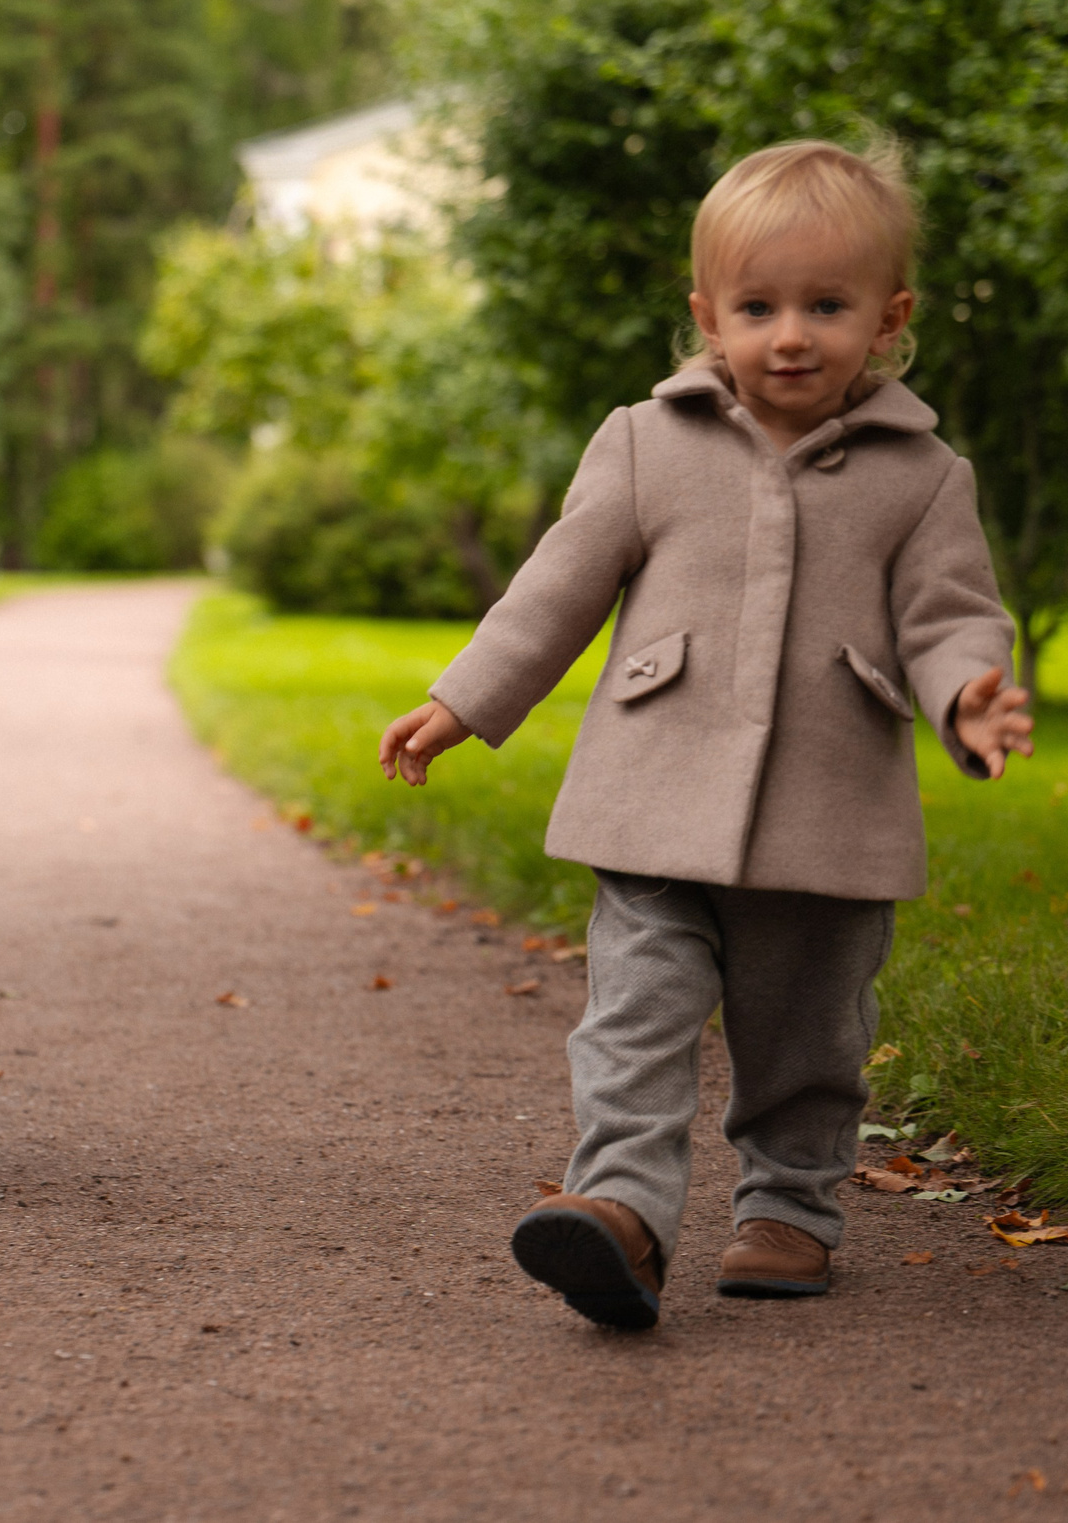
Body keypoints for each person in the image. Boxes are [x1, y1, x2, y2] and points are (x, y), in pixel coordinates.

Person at [376, 140, 1032, 1330]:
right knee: (633, 1013)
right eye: (758, 306)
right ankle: (618, 1211)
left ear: (889, 320)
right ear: (705, 314)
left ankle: (788, 1210)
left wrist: (970, 694)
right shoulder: (646, 442)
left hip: (828, 817)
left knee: (807, 1036)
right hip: (651, 798)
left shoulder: (922, 476)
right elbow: (555, 588)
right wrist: (466, 699)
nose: (790, 335)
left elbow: (948, 616)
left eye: (826, 307)